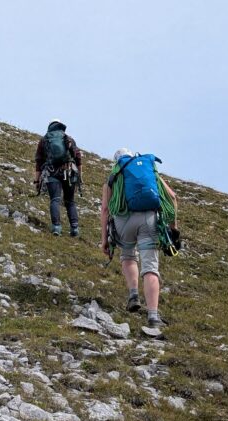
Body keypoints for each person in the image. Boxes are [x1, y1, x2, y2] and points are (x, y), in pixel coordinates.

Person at [100, 149, 178, 328]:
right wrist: (174, 230)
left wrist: (104, 239)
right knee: (150, 268)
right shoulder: (149, 170)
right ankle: (153, 316)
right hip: (148, 219)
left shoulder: (112, 178)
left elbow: (105, 210)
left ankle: (133, 295)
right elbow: (172, 197)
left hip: (123, 221)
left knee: (128, 256)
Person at [34, 120, 82, 236]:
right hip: (69, 172)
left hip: (51, 173)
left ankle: (56, 227)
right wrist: (79, 177)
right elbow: (78, 158)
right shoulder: (68, 138)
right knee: (70, 201)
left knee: (55, 199)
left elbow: (39, 162)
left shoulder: (44, 140)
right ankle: (74, 229)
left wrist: (37, 180)